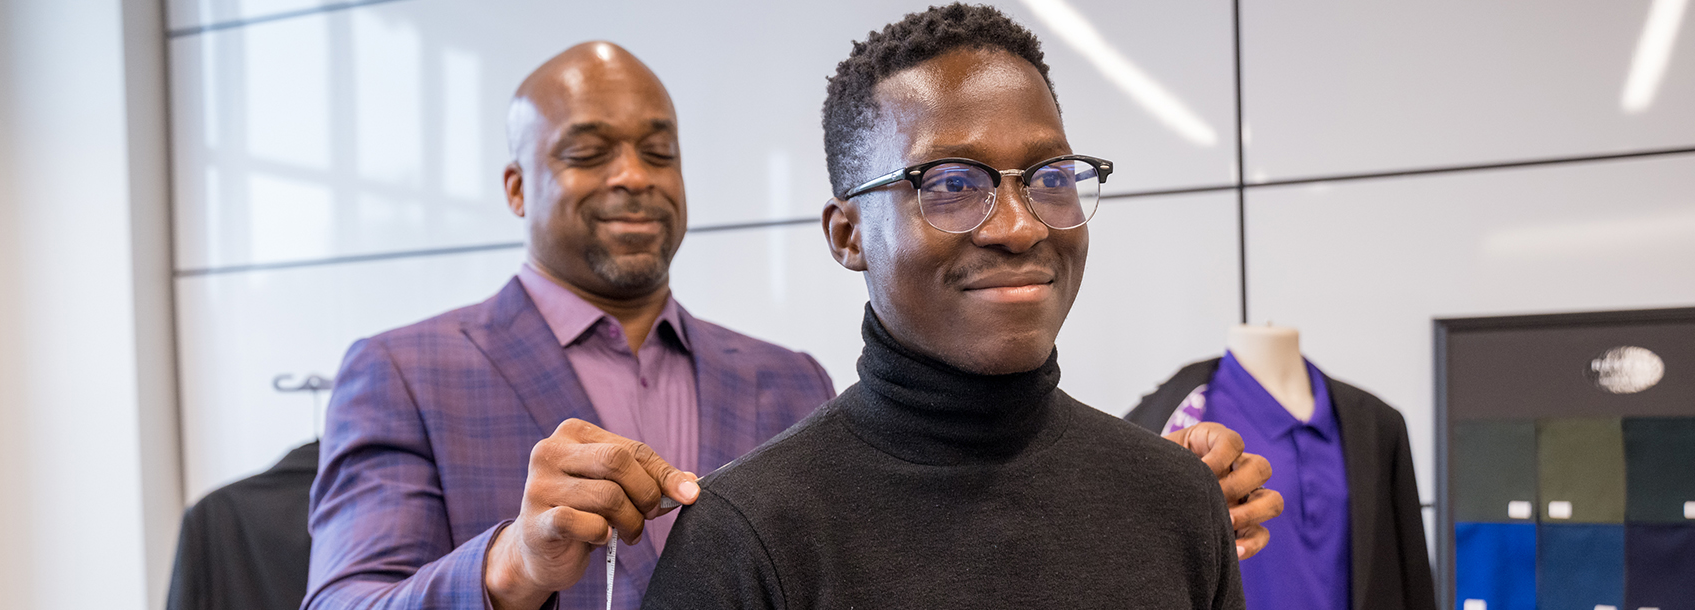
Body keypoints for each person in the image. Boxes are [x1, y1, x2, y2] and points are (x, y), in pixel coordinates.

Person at [306, 39, 1278, 610]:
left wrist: (1130, 506)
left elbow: (945, 482)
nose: (635, 175)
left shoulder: (780, 377)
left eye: (660, 149)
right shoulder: (404, 370)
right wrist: (511, 560)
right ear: (519, 183)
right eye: (589, 151)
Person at [643, 5, 1251, 608]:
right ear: (847, 235)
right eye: (952, 185)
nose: (1019, 227)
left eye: (1050, 177)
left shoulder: (1177, 502)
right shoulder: (746, 538)